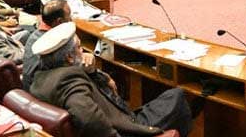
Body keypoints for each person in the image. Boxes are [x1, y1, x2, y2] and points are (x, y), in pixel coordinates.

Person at [30, 22, 193, 137]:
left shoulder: (40, 78)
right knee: (178, 96)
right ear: (69, 58)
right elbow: (89, 119)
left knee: (169, 98)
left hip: (119, 115)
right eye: (79, 48)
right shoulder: (68, 81)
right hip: (127, 128)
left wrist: (91, 69)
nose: (83, 51)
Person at [22, 0, 71, 91]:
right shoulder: (55, 44)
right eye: (69, 16)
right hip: (41, 93)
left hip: (32, 87)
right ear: (59, 21)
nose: (71, 20)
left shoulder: (34, 35)